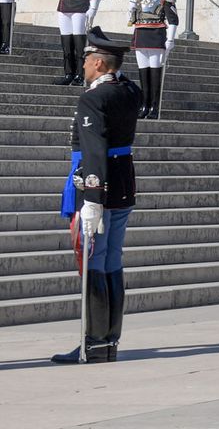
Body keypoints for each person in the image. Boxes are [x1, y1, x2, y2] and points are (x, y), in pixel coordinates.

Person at [52, 31, 140, 363]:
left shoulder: (93, 98)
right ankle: (108, 341)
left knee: (92, 262)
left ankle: (93, 343)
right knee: (112, 261)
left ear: (99, 63)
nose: (84, 65)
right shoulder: (129, 90)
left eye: (88, 60)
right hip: (123, 183)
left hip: (97, 186)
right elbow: (125, 80)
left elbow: (94, 148)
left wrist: (92, 198)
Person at [127, 0, 177, 120]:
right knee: (143, 72)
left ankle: (154, 106)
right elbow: (133, 18)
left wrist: (170, 39)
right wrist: (131, 8)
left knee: (154, 72)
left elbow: (173, 19)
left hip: (156, 34)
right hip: (141, 34)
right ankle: (144, 105)